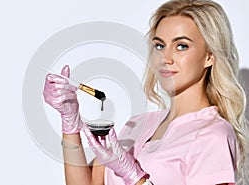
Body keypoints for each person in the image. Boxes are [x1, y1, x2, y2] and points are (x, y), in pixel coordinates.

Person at [43, 0, 249, 184]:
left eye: (182, 46)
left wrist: (133, 176)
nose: (165, 58)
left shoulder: (212, 134)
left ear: (209, 57)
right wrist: (70, 122)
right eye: (159, 45)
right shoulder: (138, 125)